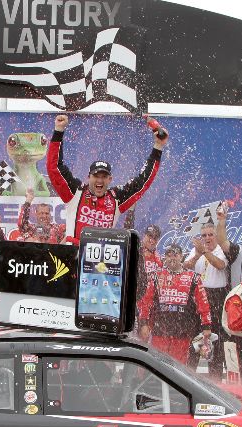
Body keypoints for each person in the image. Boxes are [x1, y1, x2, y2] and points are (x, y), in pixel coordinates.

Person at [47, 114, 167, 244]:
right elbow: (54, 167)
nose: (100, 180)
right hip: (73, 254)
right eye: (96, 176)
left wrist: (158, 147)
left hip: (102, 257)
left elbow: (142, 182)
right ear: (88, 177)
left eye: (104, 177)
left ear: (110, 179)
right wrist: (58, 131)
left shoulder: (116, 198)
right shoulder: (75, 192)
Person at [138, 244, 212, 365]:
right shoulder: (156, 276)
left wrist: (206, 326)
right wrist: (144, 323)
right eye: (169, 255)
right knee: (157, 365)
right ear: (165, 258)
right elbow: (146, 302)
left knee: (178, 368)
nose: (172, 258)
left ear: (181, 257)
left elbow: (203, 304)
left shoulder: (193, 277)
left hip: (182, 332)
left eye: (175, 255)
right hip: (160, 331)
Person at [183, 223, 228, 378]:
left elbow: (220, 265)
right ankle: (188, 377)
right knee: (195, 338)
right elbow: (185, 266)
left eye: (210, 234)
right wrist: (197, 254)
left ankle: (215, 379)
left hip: (216, 297)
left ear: (215, 235)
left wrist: (205, 252)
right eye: (204, 235)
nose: (207, 238)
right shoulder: (196, 250)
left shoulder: (220, 250)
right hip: (198, 296)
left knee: (215, 340)